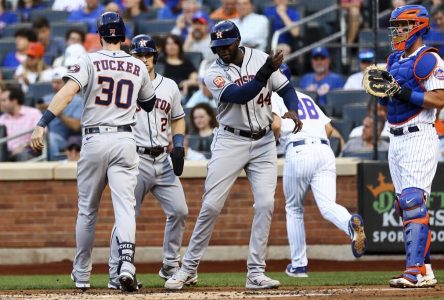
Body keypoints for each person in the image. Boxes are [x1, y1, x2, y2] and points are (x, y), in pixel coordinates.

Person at [164, 20, 302, 290]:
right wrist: (264, 72)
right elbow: (239, 95)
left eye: (226, 45)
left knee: (265, 205)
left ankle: (255, 272)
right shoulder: (213, 72)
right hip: (230, 140)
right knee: (211, 206)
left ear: (237, 41)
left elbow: (285, 89)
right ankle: (188, 269)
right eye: (217, 46)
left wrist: (293, 108)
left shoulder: (260, 58)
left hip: (263, 140)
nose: (222, 50)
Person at [30, 12, 156, 292]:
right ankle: (126, 264)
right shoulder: (137, 65)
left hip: (95, 138)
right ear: (123, 37)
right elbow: (148, 104)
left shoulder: (88, 59)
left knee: (88, 210)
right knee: (125, 207)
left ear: (100, 35)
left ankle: (83, 273)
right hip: (125, 138)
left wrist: (42, 123)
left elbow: (67, 92)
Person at [367, 5, 444, 288]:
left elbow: (439, 100)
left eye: (402, 26)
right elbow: (390, 104)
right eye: (396, 27)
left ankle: (413, 271)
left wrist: (401, 91)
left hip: (419, 134)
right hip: (395, 136)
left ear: (418, 27)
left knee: (412, 201)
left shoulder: (429, 59)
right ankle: (424, 270)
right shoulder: (393, 59)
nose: (397, 31)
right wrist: (382, 95)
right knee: (404, 206)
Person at [106, 34, 187, 289]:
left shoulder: (170, 86)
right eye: (138, 55)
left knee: (180, 211)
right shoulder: (124, 87)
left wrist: (180, 143)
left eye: (147, 54)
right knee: (126, 216)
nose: (143, 59)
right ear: (131, 58)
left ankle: (170, 265)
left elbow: (178, 117)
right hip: (135, 158)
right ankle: (114, 272)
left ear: (155, 56)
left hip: (162, 157)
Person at [271, 63, 366, 277]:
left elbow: (276, 126)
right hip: (324, 151)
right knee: (327, 205)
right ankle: (350, 224)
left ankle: (299, 265)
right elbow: (329, 129)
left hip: (298, 151)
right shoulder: (305, 97)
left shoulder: (273, 97)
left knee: (294, 209)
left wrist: (273, 142)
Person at [37, 69, 82, 161]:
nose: (54, 85)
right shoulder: (46, 99)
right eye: (53, 82)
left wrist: (57, 111)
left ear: (67, 83)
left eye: (58, 82)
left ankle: (52, 166)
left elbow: (76, 126)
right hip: (44, 136)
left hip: (66, 139)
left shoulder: (78, 101)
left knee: (51, 137)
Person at [0, 85, 41, 161]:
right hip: (4, 154)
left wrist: (24, 147)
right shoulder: (2, 119)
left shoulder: (33, 114)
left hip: (27, 150)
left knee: (23, 154)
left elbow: (42, 135)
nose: (1, 104)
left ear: (14, 101)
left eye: (3, 100)